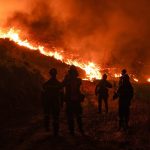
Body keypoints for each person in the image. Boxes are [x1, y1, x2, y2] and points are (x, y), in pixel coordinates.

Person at [62, 65, 85, 136]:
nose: (73, 74)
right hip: (70, 100)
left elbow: (79, 89)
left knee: (78, 116)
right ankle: (72, 131)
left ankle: (80, 129)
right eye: (72, 72)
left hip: (75, 100)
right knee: (71, 116)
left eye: (73, 72)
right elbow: (62, 86)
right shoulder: (67, 80)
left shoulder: (78, 80)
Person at [42, 68, 63, 136]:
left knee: (47, 115)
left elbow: (43, 94)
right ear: (56, 74)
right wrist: (62, 103)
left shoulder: (46, 84)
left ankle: (47, 128)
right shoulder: (59, 84)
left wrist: (43, 102)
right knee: (55, 117)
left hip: (48, 102)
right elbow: (61, 94)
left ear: (50, 74)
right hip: (55, 102)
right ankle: (55, 131)